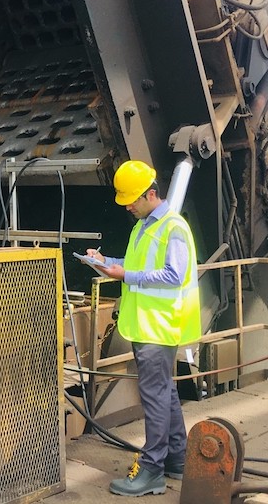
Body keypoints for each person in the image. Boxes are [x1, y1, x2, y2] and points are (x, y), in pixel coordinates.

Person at [83, 160, 201, 497]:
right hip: (148, 325)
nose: (128, 206)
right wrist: (108, 263)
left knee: (155, 398)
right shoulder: (144, 226)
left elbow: (173, 275)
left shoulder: (172, 227)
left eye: (132, 199)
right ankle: (176, 459)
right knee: (166, 394)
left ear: (151, 194)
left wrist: (125, 276)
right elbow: (137, 266)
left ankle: (151, 470)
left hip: (159, 327)